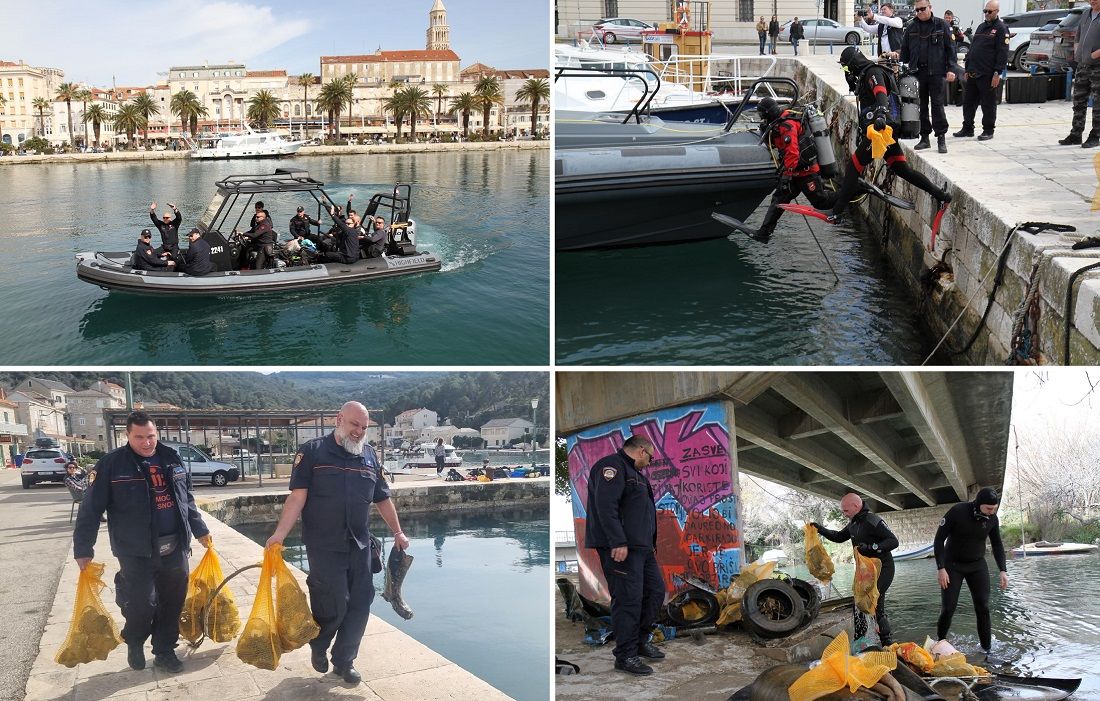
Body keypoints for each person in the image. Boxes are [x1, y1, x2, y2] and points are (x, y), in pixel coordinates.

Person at [265, 401, 408, 685]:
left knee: (360, 603)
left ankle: (345, 661)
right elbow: (297, 497)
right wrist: (279, 534)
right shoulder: (312, 452)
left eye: (364, 427)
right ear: (338, 419)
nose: (359, 431)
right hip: (324, 544)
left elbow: (382, 498)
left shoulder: (369, 456)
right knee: (334, 601)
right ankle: (319, 644)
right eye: (355, 424)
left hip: (360, 544)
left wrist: (398, 532)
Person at [72, 411, 212, 674]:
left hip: (175, 546)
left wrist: (200, 529)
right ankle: (134, 639)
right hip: (135, 550)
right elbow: (90, 509)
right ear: (127, 435)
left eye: (151, 436)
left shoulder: (171, 457)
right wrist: (83, 548)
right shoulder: (111, 464)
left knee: (172, 602)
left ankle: (164, 651)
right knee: (142, 604)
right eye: (139, 437)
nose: (147, 443)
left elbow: (187, 499)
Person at [830, 46, 953, 222]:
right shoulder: (865, 74)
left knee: (854, 166)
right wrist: (850, 79)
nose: (846, 71)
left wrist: (881, 113)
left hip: (881, 131)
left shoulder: (873, 72)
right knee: (902, 169)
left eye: (846, 67)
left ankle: (837, 211)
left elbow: (880, 92)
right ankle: (941, 195)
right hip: (887, 131)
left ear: (853, 63)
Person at [584, 435, 664, 676]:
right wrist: (617, 541)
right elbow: (605, 506)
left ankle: (639, 641)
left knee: (655, 592)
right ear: (641, 451)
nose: (650, 463)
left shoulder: (636, 475)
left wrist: (650, 544)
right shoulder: (612, 467)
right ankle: (625, 655)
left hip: (642, 549)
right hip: (621, 548)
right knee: (628, 600)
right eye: (650, 458)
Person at [727, 97, 837, 242]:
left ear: (768, 113)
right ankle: (764, 232)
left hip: (806, 173)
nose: (762, 118)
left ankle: (854, 189)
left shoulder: (787, 125)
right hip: (796, 173)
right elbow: (777, 146)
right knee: (778, 199)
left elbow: (793, 153)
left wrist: (787, 175)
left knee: (821, 202)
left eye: (762, 115)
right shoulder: (778, 123)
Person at [810, 493, 899, 645]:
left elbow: (893, 541)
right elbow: (839, 537)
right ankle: (861, 641)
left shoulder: (872, 520)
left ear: (856, 506)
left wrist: (872, 547)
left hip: (883, 568)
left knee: (874, 602)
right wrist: (820, 529)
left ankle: (887, 643)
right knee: (859, 604)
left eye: (845, 511)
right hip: (866, 572)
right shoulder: (853, 523)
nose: (844, 514)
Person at [933, 487, 1008, 662]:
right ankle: (939, 643)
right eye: (988, 508)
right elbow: (939, 539)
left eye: (994, 509)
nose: (991, 512)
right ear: (979, 504)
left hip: (977, 565)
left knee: (983, 607)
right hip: (952, 566)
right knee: (948, 608)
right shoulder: (958, 511)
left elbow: (997, 545)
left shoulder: (992, 519)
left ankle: (987, 650)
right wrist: (941, 568)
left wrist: (1003, 570)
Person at [897, 0, 959, 153]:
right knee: (921, 106)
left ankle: (941, 138)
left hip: (937, 72)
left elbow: (951, 49)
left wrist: (952, 69)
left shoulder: (941, 25)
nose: (919, 12)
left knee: (937, 105)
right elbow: (905, 49)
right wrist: (900, 65)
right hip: (918, 72)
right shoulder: (911, 26)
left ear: (930, 8)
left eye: (922, 9)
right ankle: (924, 137)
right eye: (917, 10)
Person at [953, 2, 1008, 140]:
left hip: (988, 74)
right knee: (968, 103)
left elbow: (1002, 52)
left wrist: (997, 72)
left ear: (997, 11)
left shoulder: (1001, 28)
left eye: (990, 11)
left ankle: (988, 130)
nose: (987, 14)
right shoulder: (981, 27)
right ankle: (967, 128)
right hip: (973, 72)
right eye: (985, 11)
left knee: (988, 104)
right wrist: (967, 68)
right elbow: (973, 48)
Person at [1060, 0, 1100, 147]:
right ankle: (1075, 134)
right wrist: (1078, 51)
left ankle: (1095, 136)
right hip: (1082, 65)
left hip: (1097, 66)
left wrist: (1092, 56)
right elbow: (1078, 36)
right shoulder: (1085, 13)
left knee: (1098, 103)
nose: (1092, 1)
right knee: (1078, 100)